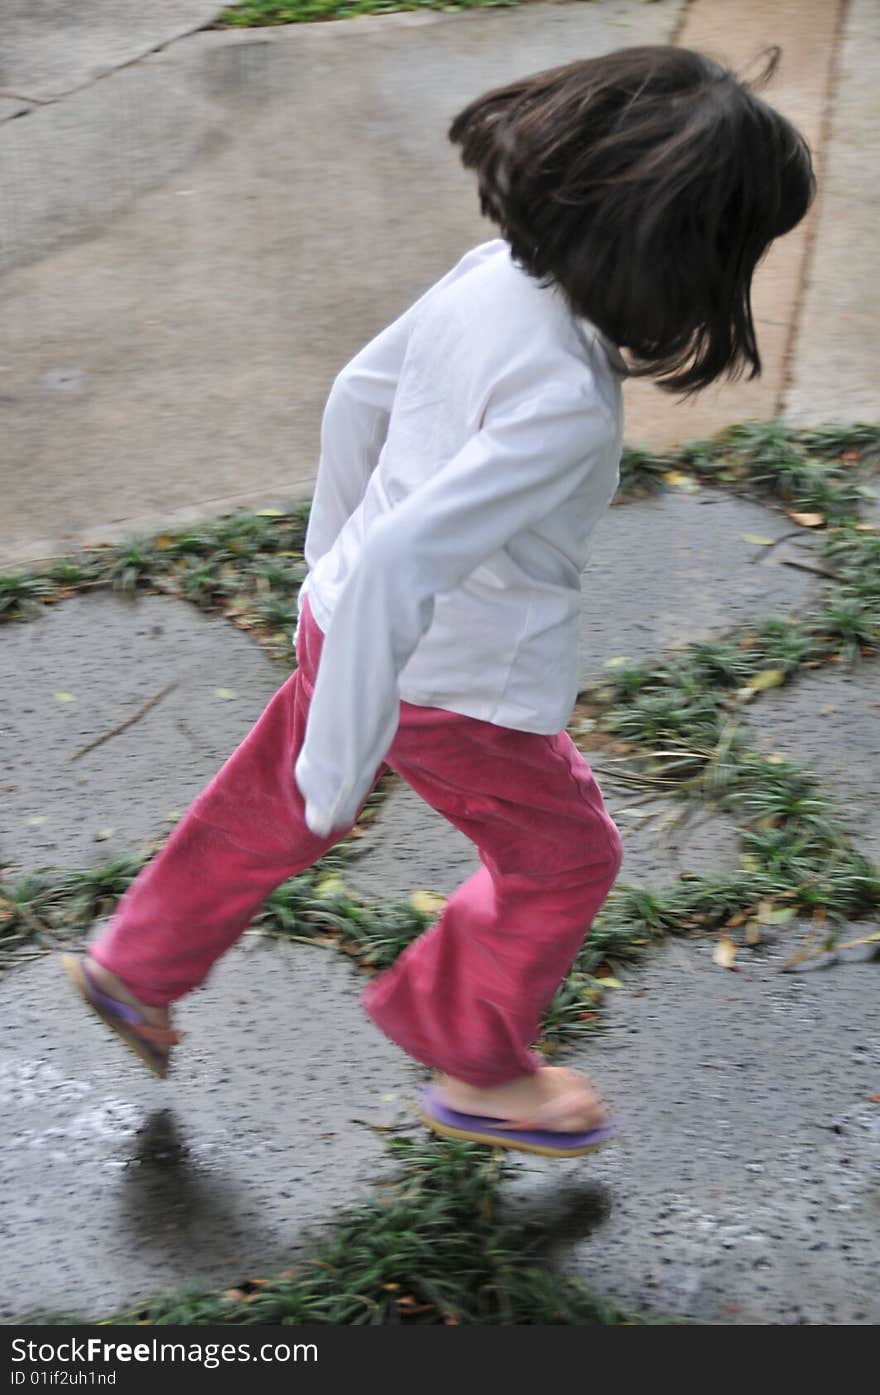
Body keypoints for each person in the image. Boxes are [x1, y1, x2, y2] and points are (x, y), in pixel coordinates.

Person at [63, 45, 814, 1157]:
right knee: (564, 859)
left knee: (269, 804)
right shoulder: (563, 397)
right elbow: (402, 568)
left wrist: (329, 569)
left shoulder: (488, 277)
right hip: (458, 683)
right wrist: (340, 756)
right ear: (684, 257)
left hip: (358, 626)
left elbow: (355, 397)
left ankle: (138, 963)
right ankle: (476, 1067)